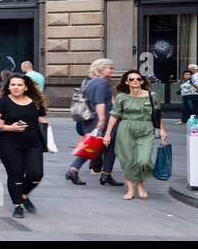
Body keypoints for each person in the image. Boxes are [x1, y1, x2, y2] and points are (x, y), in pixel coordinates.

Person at [0, 73, 48, 219]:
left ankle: (24, 194)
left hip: (33, 143)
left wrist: (48, 142)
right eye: (12, 84)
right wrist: (9, 128)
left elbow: (43, 121)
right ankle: (18, 205)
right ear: (8, 86)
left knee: (36, 174)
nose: (15, 87)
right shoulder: (2, 102)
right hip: (8, 144)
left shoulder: (35, 102)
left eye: (19, 85)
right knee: (16, 174)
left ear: (26, 87)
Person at [104, 69, 167, 201]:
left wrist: (162, 130)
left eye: (137, 79)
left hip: (146, 128)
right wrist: (108, 134)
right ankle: (133, 189)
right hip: (126, 128)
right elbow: (114, 116)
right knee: (129, 161)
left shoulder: (151, 95)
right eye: (131, 79)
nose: (135, 81)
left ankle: (140, 184)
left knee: (143, 160)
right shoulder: (121, 97)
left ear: (142, 81)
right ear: (127, 82)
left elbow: (157, 114)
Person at [66, 59, 121, 187]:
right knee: (102, 146)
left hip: (89, 119)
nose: (112, 70)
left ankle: (105, 174)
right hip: (102, 119)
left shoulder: (88, 81)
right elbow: (99, 102)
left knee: (99, 146)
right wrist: (102, 120)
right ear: (101, 68)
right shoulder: (101, 82)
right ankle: (75, 170)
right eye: (109, 67)